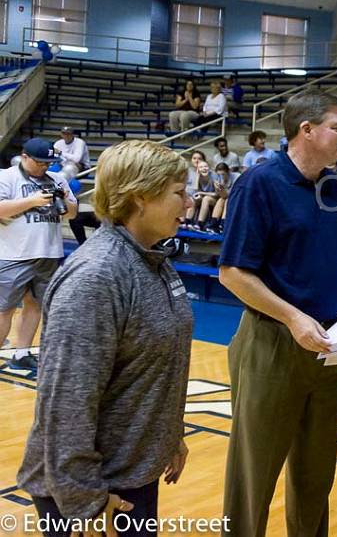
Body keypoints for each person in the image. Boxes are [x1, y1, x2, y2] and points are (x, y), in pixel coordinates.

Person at [219, 91, 337, 537]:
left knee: (316, 472)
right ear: (306, 130)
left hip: (329, 347)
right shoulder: (259, 184)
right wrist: (292, 317)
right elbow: (232, 272)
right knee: (254, 473)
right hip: (272, 345)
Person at [17, 140, 193, 535]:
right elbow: (65, 401)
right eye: (179, 194)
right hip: (94, 490)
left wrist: (170, 435)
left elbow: (156, 363)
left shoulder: (152, 261)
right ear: (140, 198)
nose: (190, 203)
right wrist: (84, 501)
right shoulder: (97, 276)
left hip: (132, 469)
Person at [0, 138, 78, 371]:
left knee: (34, 305)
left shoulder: (58, 179)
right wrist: (32, 201)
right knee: (4, 309)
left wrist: (63, 198)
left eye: (49, 162)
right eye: (40, 162)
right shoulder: (6, 177)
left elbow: (72, 214)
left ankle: (21, 353)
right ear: (24, 157)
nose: (45, 166)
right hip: (13, 254)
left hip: (49, 253)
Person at [184, 160, 218, 231]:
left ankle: (200, 224)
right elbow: (196, 190)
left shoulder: (213, 176)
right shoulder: (198, 176)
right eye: (201, 167)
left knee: (206, 199)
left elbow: (216, 194)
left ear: (209, 168)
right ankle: (187, 222)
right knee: (194, 199)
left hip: (214, 199)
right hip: (202, 197)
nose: (204, 168)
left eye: (206, 166)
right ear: (198, 170)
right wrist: (197, 176)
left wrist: (202, 193)